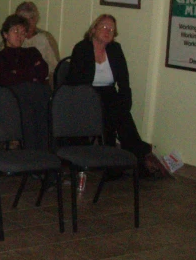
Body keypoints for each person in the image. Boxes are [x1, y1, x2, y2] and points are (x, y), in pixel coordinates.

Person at [66, 14, 167, 177]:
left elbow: (124, 80)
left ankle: (121, 162)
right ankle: (139, 155)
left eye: (112, 30)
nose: (108, 31)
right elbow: (75, 80)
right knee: (113, 110)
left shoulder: (115, 49)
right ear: (94, 29)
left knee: (119, 110)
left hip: (109, 93)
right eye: (104, 27)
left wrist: (126, 100)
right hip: (86, 94)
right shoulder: (82, 48)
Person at [0, 14, 50, 151]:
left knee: (40, 98)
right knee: (31, 97)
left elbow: (43, 71)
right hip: (11, 98)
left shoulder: (32, 52)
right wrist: (30, 74)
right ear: (5, 34)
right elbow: (4, 79)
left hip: (33, 97)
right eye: (15, 31)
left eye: (23, 33)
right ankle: (35, 156)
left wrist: (17, 73)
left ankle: (42, 157)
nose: (19, 36)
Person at [14, 1, 60, 80]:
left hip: (41, 83)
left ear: (36, 19)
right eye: (24, 19)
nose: (29, 22)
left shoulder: (46, 37)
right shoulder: (13, 37)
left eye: (31, 18)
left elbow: (56, 67)